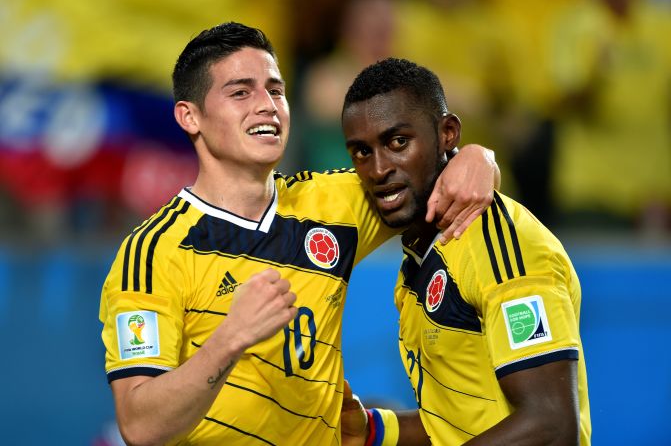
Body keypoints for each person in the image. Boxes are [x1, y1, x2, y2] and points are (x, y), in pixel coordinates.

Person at [99, 23, 500, 445]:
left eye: (275, 90)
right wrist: (232, 338)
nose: (267, 106)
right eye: (241, 92)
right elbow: (141, 426)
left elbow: (427, 167)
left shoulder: (334, 201)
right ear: (189, 116)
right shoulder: (153, 252)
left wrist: (476, 156)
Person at [339, 58, 590, 445]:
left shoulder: (501, 243)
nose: (377, 169)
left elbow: (551, 425)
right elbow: (456, 426)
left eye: (397, 142)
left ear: (447, 133)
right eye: (361, 152)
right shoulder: (421, 260)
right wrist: (373, 430)